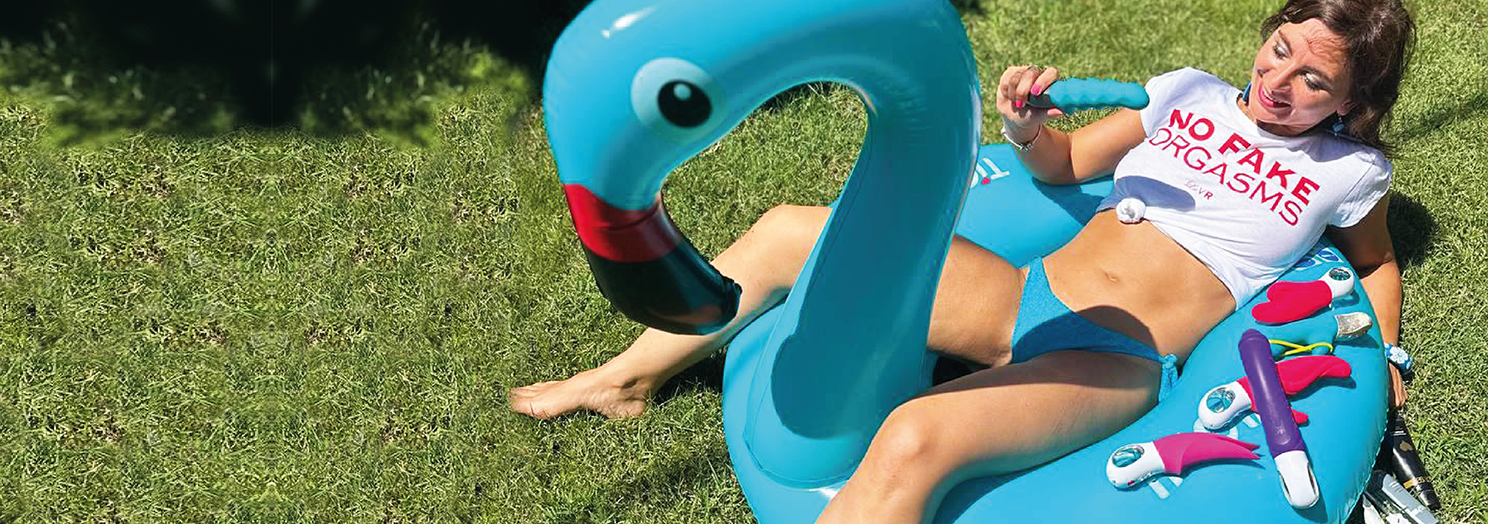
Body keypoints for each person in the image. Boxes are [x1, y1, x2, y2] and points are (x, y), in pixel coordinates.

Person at [512, 0, 1415, 521]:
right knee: (789, 230)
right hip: (1026, 293)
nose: (1278, 81)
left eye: (1314, 81)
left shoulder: (1349, 174)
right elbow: (1064, 165)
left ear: (1352, 101)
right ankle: (626, 380)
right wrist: (1026, 126)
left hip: (1114, 358)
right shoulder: (1188, 95)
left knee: (915, 437)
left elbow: (1373, 266)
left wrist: (1390, 355)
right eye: (1281, 49)